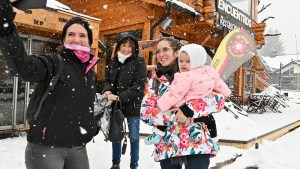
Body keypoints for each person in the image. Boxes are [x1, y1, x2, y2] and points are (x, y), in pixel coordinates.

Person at [0, 1, 99, 169]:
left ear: (89, 41)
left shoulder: (90, 73)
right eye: (71, 34)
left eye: (83, 36)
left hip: (78, 147)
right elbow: (24, 68)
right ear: (64, 39)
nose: (77, 39)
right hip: (46, 147)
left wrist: (91, 125)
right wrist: (6, 26)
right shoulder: (54, 62)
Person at [140, 37, 226, 169]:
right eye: (158, 51)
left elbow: (218, 100)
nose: (161, 54)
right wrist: (178, 116)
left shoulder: (200, 75)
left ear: (177, 52)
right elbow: (146, 113)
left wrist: (189, 110)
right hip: (168, 146)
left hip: (197, 143)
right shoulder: (155, 82)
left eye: (165, 49)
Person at [103, 32, 147, 169]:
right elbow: (108, 80)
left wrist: (120, 97)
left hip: (133, 104)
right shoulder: (113, 61)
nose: (126, 49)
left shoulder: (139, 61)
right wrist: (107, 90)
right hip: (117, 106)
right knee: (116, 136)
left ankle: (134, 164)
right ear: (118, 46)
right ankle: (115, 163)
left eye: (130, 46)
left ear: (134, 48)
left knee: (134, 138)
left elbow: (139, 86)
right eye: (124, 45)